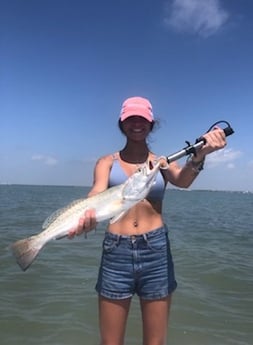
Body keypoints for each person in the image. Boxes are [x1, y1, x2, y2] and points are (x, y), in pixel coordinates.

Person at [68, 96, 227, 345]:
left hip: (156, 250)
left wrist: (199, 156)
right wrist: (86, 215)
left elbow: (183, 181)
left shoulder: (161, 162)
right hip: (116, 251)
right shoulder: (106, 162)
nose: (136, 124)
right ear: (121, 123)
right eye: (130, 119)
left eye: (142, 119)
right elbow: (96, 194)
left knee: (155, 342)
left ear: (152, 123)